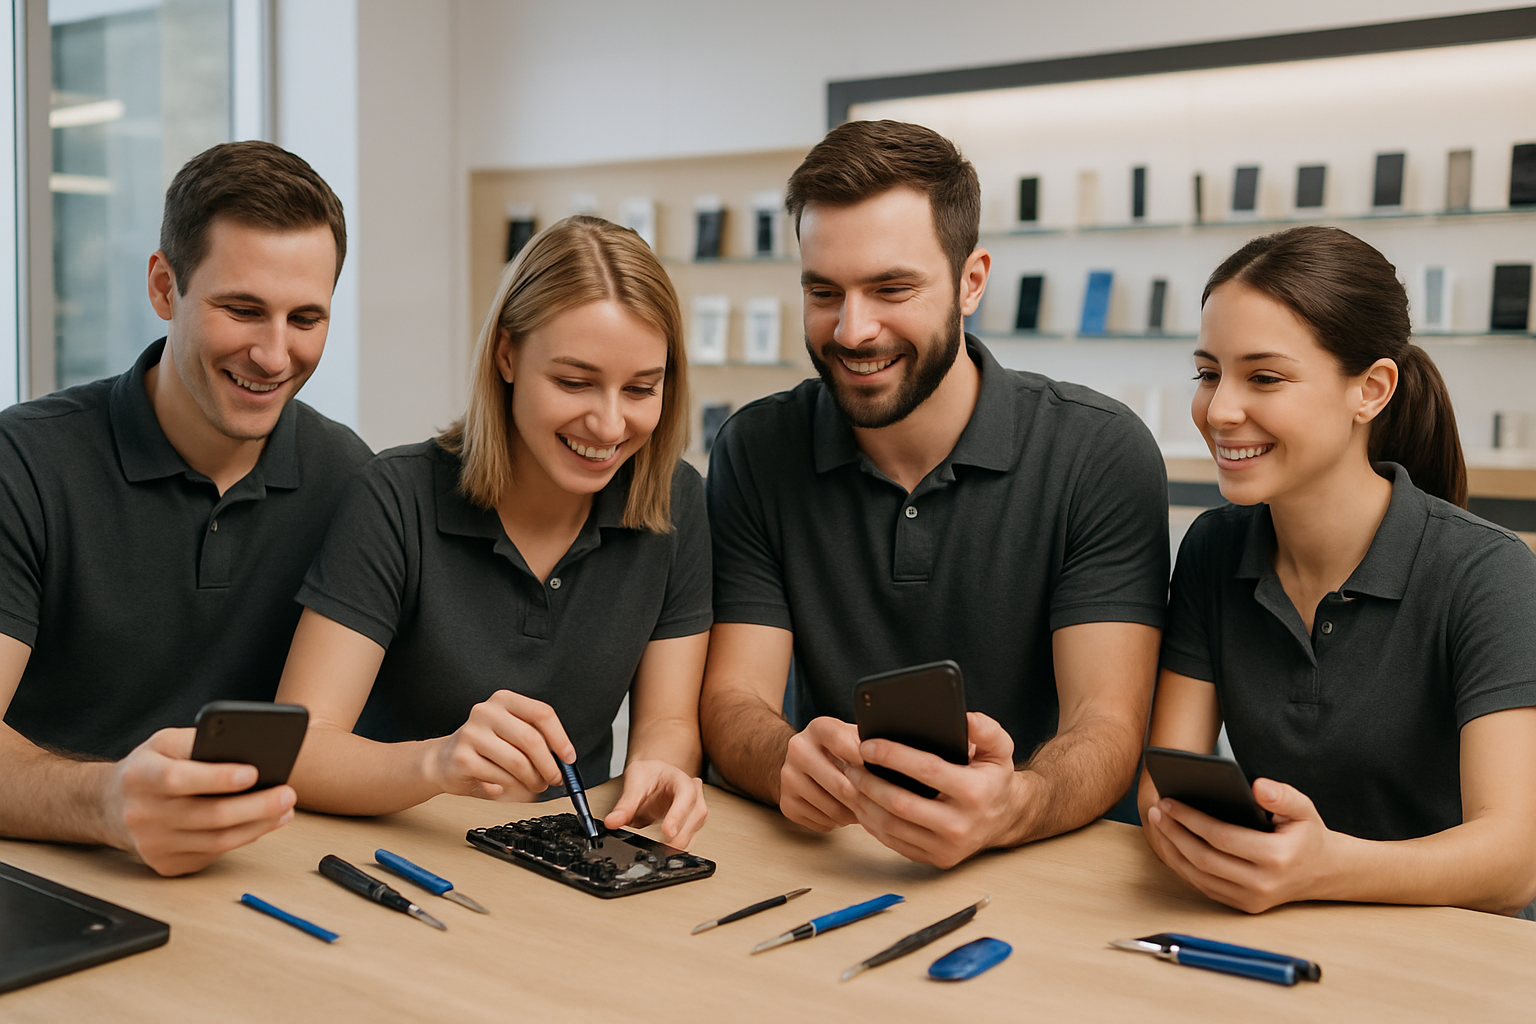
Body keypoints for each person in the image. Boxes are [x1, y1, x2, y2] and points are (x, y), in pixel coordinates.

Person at [699, 119, 1169, 868]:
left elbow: (1107, 725)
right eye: (824, 292)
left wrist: (1016, 803)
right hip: (831, 861)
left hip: (1046, 872)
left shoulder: (1099, 452)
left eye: (891, 289)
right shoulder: (756, 449)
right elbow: (732, 704)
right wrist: (784, 759)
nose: (853, 331)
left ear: (971, 281)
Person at [274, 216, 711, 848]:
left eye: (642, 388)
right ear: (506, 354)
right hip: (399, 853)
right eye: (574, 381)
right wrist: (439, 763)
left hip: (566, 853)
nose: (611, 424)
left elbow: (668, 719)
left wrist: (661, 768)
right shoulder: (395, 497)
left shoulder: (676, 501)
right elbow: (300, 746)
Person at [1139, 225, 1536, 917]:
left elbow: (1515, 863)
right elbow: (1165, 780)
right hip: (1277, 929)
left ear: (1371, 390)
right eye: (1208, 374)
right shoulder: (1211, 548)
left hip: (1453, 958)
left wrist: (1321, 869)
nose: (1219, 410)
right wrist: (1224, 849)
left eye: (1264, 377)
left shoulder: (1488, 573)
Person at [0, 141, 370, 876]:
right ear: (165, 288)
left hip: (253, 877)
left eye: (305, 318)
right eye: (242, 309)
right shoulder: (23, 463)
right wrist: (105, 801)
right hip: (46, 874)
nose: (273, 354)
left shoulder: (350, 479)